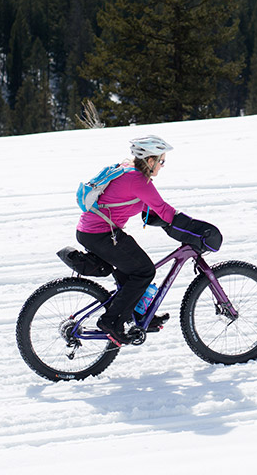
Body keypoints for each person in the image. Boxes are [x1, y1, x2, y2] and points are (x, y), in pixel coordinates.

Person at [76, 135, 221, 346]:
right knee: (144, 271)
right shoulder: (138, 180)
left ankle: (139, 315)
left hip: (94, 231)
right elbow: (164, 210)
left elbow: (148, 208)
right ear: (150, 161)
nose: (162, 166)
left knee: (131, 271)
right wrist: (199, 230)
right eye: (161, 161)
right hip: (101, 234)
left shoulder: (126, 168)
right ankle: (110, 322)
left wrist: (167, 223)